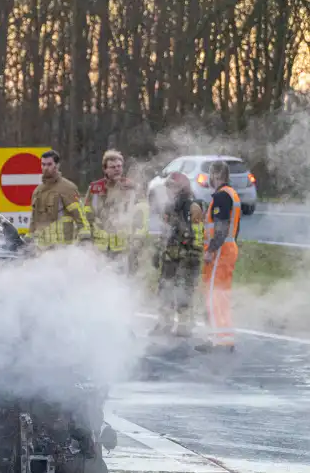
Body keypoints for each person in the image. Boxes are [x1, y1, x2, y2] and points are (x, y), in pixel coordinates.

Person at [151, 172, 204, 336]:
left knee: (184, 290)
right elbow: (164, 231)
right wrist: (158, 250)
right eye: (167, 187)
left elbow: (199, 234)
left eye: (172, 187)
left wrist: (194, 256)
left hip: (186, 257)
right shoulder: (168, 207)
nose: (168, 190)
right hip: (169, 256)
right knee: (164, 289)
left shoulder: (193, 207)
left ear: (181, 188)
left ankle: (184, 325)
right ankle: (164, 323)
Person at [199, 160, 242, 353]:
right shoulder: (232, 194)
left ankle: (220, 339)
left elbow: (221, 228)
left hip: (220, 252)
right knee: (220, 294)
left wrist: (211, 250)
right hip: (227, 249)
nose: (209, 179)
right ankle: (222, 336)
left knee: (215, 294)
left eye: (210, 174)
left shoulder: (221, 196)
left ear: (216, 175)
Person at [84, 149, 149, 269]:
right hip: (100, 246)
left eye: (119, 166)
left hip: (123, 246)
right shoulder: (95, 188)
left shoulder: (131, 187)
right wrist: (87, 239)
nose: (117, 169)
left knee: (123, 282)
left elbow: (141, 214)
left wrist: (138, 241)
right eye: (113, 167)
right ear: (105, 169)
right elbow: (86, 214)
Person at [28, 150, 91, 248]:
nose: (45, 168)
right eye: (43, 164)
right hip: (42, 248)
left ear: (57, 165)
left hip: (63, 247)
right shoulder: (38, 191)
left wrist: (85, 236)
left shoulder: (67, 188)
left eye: (49, 164)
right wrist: (29, 238)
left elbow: (79, 215)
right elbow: (34, 219)